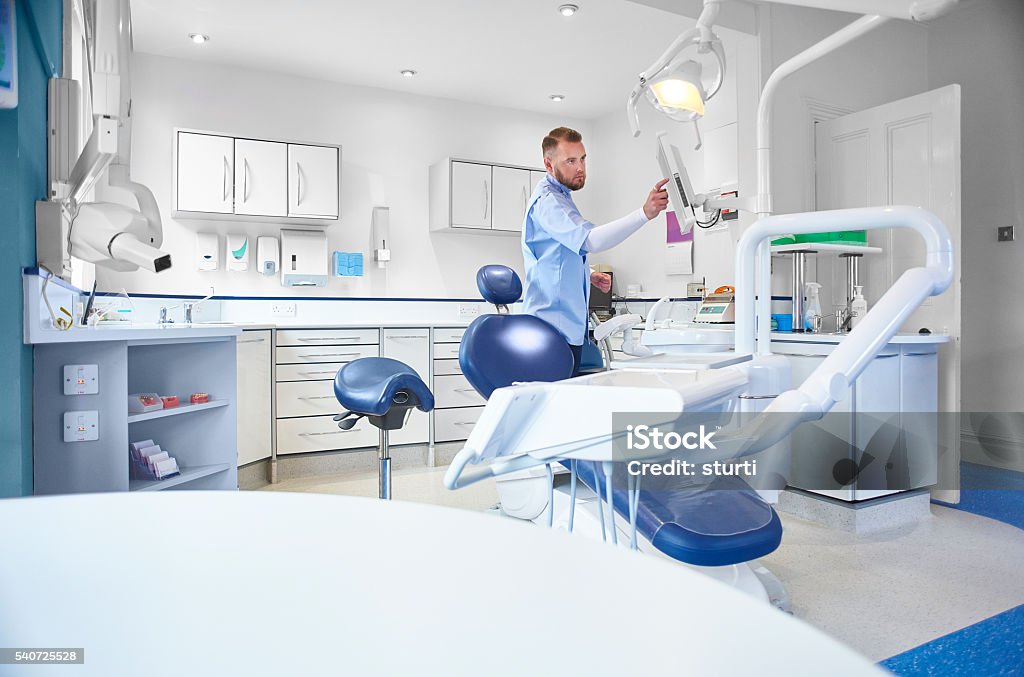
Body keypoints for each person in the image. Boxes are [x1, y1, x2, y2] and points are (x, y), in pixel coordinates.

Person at [522, 126, 669, 375]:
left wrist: (586, 273)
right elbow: (591, 240)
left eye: (582, 159)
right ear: (549, 164)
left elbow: (553, 255)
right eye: (570, 161)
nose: (580, 167)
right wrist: (644, 214)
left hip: (563, 327)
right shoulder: (549, 202)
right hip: (552, 329)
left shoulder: (561, 196)